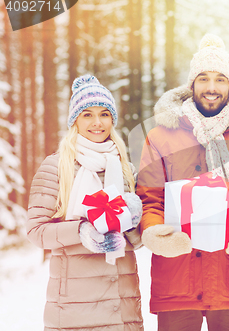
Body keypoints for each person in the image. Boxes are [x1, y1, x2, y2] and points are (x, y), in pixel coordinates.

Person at [136, 33, 229, 331]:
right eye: (203, 78)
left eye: (220, 79)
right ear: (191, 85)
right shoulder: (160, 136)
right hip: (177, 274)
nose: (211, 88)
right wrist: (154, 233)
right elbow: (149, 198)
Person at [26, 75, 144, 331]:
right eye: (87, 114)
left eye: (104, 114)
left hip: (121, 306)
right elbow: (36, 231)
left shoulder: (124, 168)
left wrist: (133, 220)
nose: (97, 123)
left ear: (113, 119)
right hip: (74, 307)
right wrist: (81, 231)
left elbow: (136, 240)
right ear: (75, 120)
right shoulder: (56, 166)